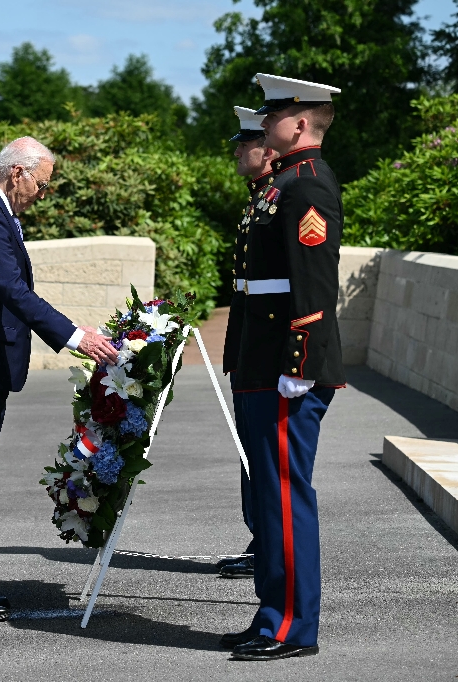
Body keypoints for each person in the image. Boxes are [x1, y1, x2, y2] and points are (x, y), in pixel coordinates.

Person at [0, 137, 119, 623]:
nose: (43, 194)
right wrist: (77, 336)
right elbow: (11, 289)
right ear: (18, 173)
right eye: (43, 184)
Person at [224, 74, 345, 661]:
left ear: (300, 123)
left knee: (285, 499)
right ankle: (272, 614)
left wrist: (298, 366)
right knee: (269, 500)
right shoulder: (282, 187)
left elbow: (314, 288)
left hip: (284, 372)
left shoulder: (307, 187)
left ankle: (293, 626)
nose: (266, 124)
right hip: (263, 367)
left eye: (275, 114)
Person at [217, 106, 280, 580]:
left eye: (246, 143)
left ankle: (268, 543)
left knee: (262, 454)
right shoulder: (258, 197)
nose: (239, 150)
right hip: (248, 344)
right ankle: (261, 538)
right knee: (249, 452)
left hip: (267, 349)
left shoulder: (278, 198)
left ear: (269, 150)